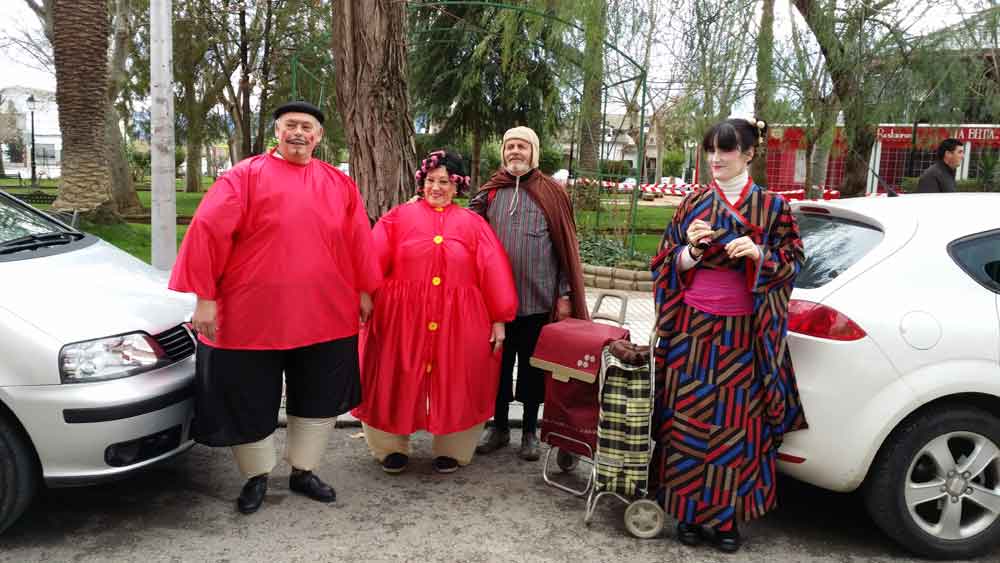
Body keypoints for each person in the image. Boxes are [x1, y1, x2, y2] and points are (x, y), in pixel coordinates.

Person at [168, 101, 380, 514]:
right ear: (277, 132)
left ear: (318, 137)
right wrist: (205, 298)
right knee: (247, 397)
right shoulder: (242, 178)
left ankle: (304, 470)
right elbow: (208, 233)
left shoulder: (339, 183)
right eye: (290, 126)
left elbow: (358, 240)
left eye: (307, 127)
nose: (299, 133)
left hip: (325, 313)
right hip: (251, 315)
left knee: (317, 396)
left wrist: (365, 290)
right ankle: (256, 476)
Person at [649, 118, 808, 552]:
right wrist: (691, 253)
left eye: (727, 151)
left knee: (736, 424)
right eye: (712, 151)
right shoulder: (695, 202)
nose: (716, 160)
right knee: (687, 422)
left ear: (750, 153)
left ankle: (725, 520)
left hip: (744, 333)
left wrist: (759, 254)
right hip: (692, 331)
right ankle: (685, 514)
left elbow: (793, 262)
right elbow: (663, 263)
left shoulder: (774, 207)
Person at [351, 150, 518, 474]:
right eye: (431, 181)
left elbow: (493, 270)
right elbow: (371, 258)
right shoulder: (397, 218)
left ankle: (453, 449)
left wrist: (499, 318)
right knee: (393, 373)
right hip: (400, 316)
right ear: (421, 182)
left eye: (445, 182)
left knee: (459, 376)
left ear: (458, 187)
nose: (437, 187)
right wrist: (364, 294)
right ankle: (390, 448)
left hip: (459, 318)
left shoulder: (474, 224)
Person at [469, 126, 589, 461]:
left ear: (533, 151)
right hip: (496, 306)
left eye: (522, 146)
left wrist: (565, 295)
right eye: (510, 146)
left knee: (534, 370)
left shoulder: (552, 192)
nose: (515, 152)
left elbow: (567, 248)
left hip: (539, 302)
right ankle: (500, 427)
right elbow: (465, 230)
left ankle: (530, 433)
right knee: (498, 368)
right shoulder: (490, 193)